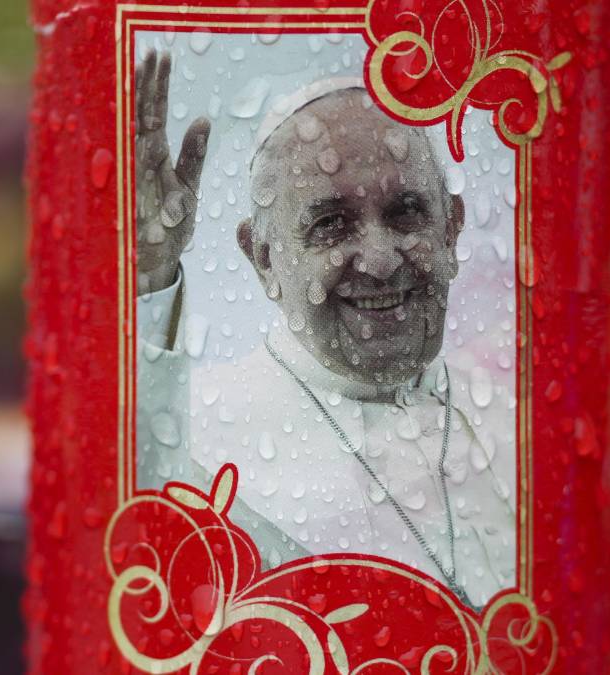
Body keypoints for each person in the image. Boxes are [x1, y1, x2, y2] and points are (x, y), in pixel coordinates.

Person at [132, 50, 517, 608]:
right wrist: (148, 278)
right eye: (331, 224)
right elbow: (140, 562)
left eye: (406, 212)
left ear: (451, 229)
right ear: (263, 258)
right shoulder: (201, 435)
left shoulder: (520, 415)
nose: (380, 259)